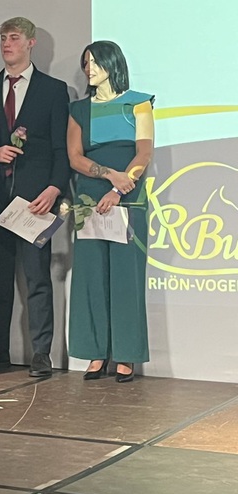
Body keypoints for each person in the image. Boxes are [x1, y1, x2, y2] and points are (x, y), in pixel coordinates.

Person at [0, 17, 70, 377]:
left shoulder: (53, 90)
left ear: (31, 43)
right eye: (3, 38)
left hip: (35, 202)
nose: (6, 44)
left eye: (14, 38)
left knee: (37, 278)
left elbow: (61, 147)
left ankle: (41, 352)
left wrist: (54, 188)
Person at [66, 41, 153, 383]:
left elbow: (143, 154)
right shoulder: (79, 109)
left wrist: (118, 188)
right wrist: (106, 176)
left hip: (127, 197)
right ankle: (96, 353)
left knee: (126, 277)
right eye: (85, 62)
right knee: (91, 276)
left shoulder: (139, 103)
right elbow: (75, 157)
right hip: (89, 197)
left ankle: (126, 355)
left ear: (112, 64)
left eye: (94, 62)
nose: (88, 68)